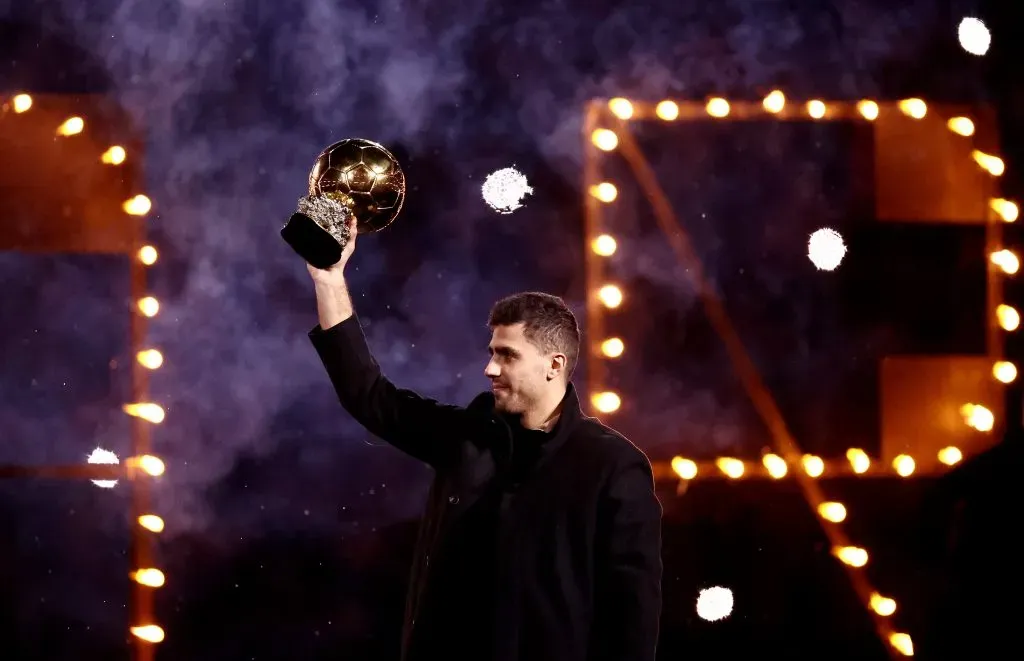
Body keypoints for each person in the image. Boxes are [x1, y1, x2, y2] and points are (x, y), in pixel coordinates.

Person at [306, 215, 663, 661]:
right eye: (492, 353)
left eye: (507, 355)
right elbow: (369, 395)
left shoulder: (611, 465)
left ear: (554, 364)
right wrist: (328, 280)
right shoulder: (466, 436)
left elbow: (631, 620)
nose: (490, 368)